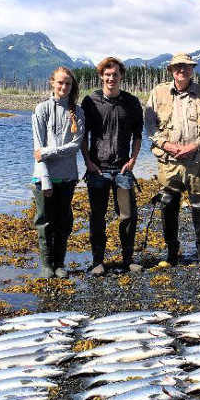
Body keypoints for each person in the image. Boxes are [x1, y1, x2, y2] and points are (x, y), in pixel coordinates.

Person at [144, 52, 200, 268]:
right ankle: (171, 252)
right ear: (171, 70)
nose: (182, 70)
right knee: (168, 203)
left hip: (197, 159)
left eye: (186, 66)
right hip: (169, 161)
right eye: (178, 67)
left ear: (192, 69)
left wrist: (192, 146)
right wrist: (166, 145)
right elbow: (150, 125)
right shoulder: (158, 93)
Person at [80, 57, 144, 276]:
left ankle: (128, 260)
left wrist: (133, 159)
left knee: (127, 216)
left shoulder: (132, 102)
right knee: (97, 217)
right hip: (97, 169)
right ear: (101, 76)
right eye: (107, 74)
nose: (111, 78)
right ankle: (98, 260)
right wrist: (88, 162)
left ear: (121, 76)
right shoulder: (90, 102)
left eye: (115, 74)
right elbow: (82, 137)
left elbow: (138, 135)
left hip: (123, 169)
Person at [31, 66, 85, 279]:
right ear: (52, 83)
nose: (64, 87)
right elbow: (37, 149)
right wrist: (45, 179)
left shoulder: (78, 112)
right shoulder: (42, 109)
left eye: (68, 83)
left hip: (68, 176)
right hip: (43, 177)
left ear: (72, 87)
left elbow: (75, 145)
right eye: (60, 82)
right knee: (44, 221)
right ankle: (47, 265)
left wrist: (48, 151)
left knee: (63, 221)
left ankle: (59, 263)